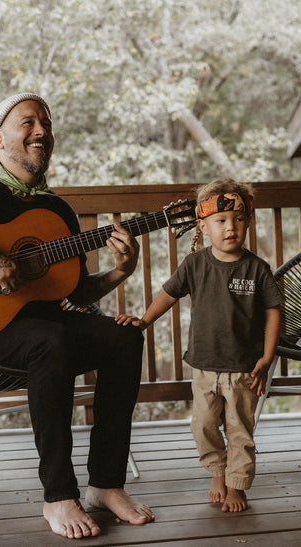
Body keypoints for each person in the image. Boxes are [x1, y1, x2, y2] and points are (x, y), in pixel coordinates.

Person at [0, 93, 155, 539]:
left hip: (40, 331)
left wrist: (121, 270)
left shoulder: (56, 211)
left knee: (124, 338)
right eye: (27, 122)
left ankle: (106, 484)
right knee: (52, 340)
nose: (41, 131)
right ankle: (59, 496)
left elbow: (72, 290)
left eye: (46, 122)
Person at [116, 177, 284, 513]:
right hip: (205, 366)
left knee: (240, 430)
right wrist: (145, 320)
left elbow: (273, 313)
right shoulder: (194, 265)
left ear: (248, 222)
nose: (230, 227)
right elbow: (168, 295)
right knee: (204, 426)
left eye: (238, 219)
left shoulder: (257, 268)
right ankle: (218, 472)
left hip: (244, 370)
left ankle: (237, 485)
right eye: (220, 221)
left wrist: (267, 358)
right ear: (204, 226)